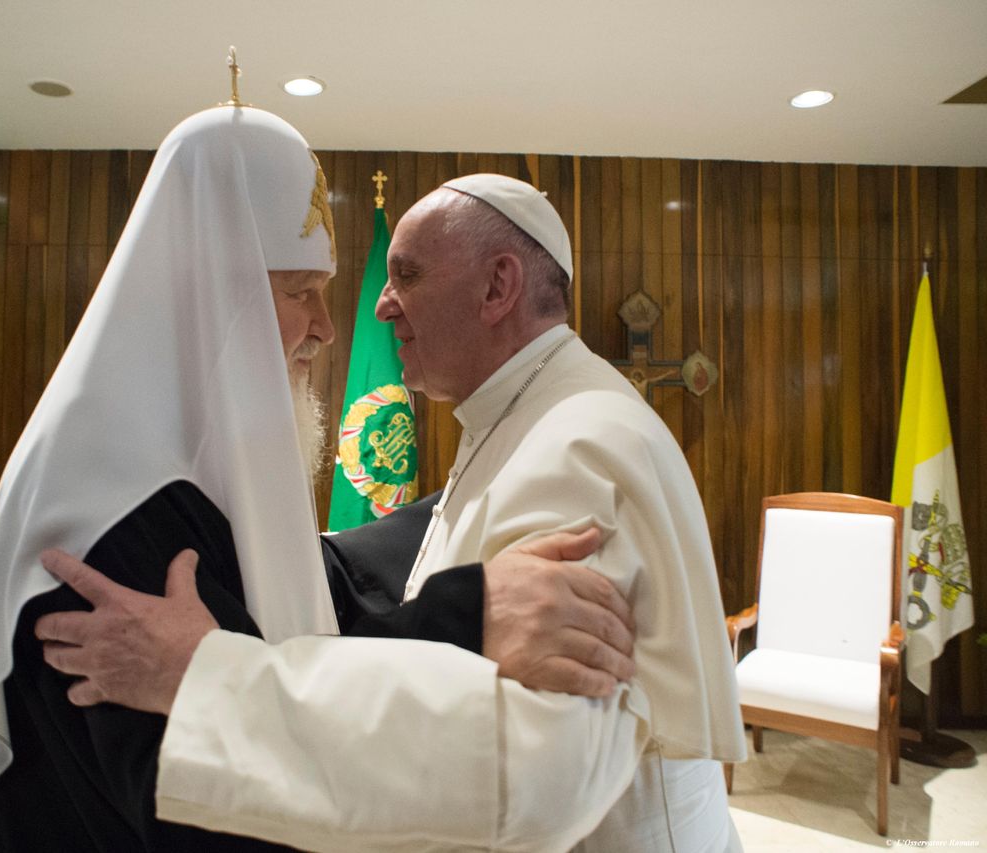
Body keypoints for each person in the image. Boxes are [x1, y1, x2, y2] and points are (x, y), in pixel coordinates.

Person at [0, 103, 636, 852]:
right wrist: (471, 614)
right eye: (298, 290)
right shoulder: (109, 516)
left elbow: (318, 577)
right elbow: (224, 808)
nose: (327, 325)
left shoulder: (153, 457)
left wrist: (471, 501)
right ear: (207, 289)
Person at [39, 175, 748, 850]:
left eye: (405, 274)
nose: (379, 304)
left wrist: (210, 677)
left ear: (498, 285)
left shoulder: (581, 441)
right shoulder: (527, 411)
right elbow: (440, 535)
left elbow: (546, 773)